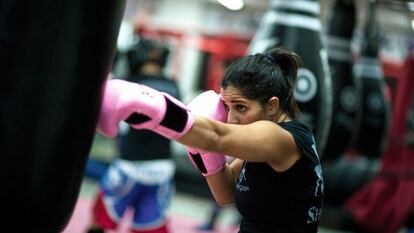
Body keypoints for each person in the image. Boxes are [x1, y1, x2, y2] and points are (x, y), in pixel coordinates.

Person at [96, 47, 324, 233]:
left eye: (241, 107)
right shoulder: (261, 146)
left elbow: (216, 135)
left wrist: (145, 103)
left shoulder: (279, 138)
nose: (231, 118)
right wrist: (203, 152)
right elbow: (225, 194)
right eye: (227, 106)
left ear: (272, 106)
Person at [87, 38, 179, 233]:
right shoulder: (174, 87)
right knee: (151, 227)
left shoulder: (126, 84)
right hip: (163, 169)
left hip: (129, 167)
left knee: (99, 220)